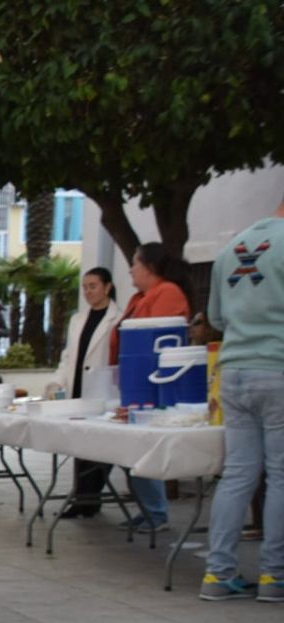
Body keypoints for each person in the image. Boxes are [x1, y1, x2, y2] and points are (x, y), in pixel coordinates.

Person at [199, 195, 284, 601]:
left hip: (232, 371)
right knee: (281, 475)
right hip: (278, 367)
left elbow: (215, 319)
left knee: (238, 474)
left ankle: (218, 574)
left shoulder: (232, 248)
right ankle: (274, 575)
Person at [112, 242, 191, 532]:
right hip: (133, 382)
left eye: (135, 263)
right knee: (128, 448)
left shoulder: (167, 293)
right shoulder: (140, 297)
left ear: (150, 267)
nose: (131, 269)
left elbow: (157, 340)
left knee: (141, 445)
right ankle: (148, 508)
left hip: (151, 385)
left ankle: (156, 511)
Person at [52, 268, 124, 518]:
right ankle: (81, 497)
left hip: (102, 388)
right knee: (80, 446)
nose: (88, 291)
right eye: (84, 287)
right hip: (78, 387)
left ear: (107, 287)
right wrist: (58, 381)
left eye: (93, 286)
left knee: (99, 446)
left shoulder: (118, 319)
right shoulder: (78, 319)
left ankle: (91, 497)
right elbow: (69, 354)